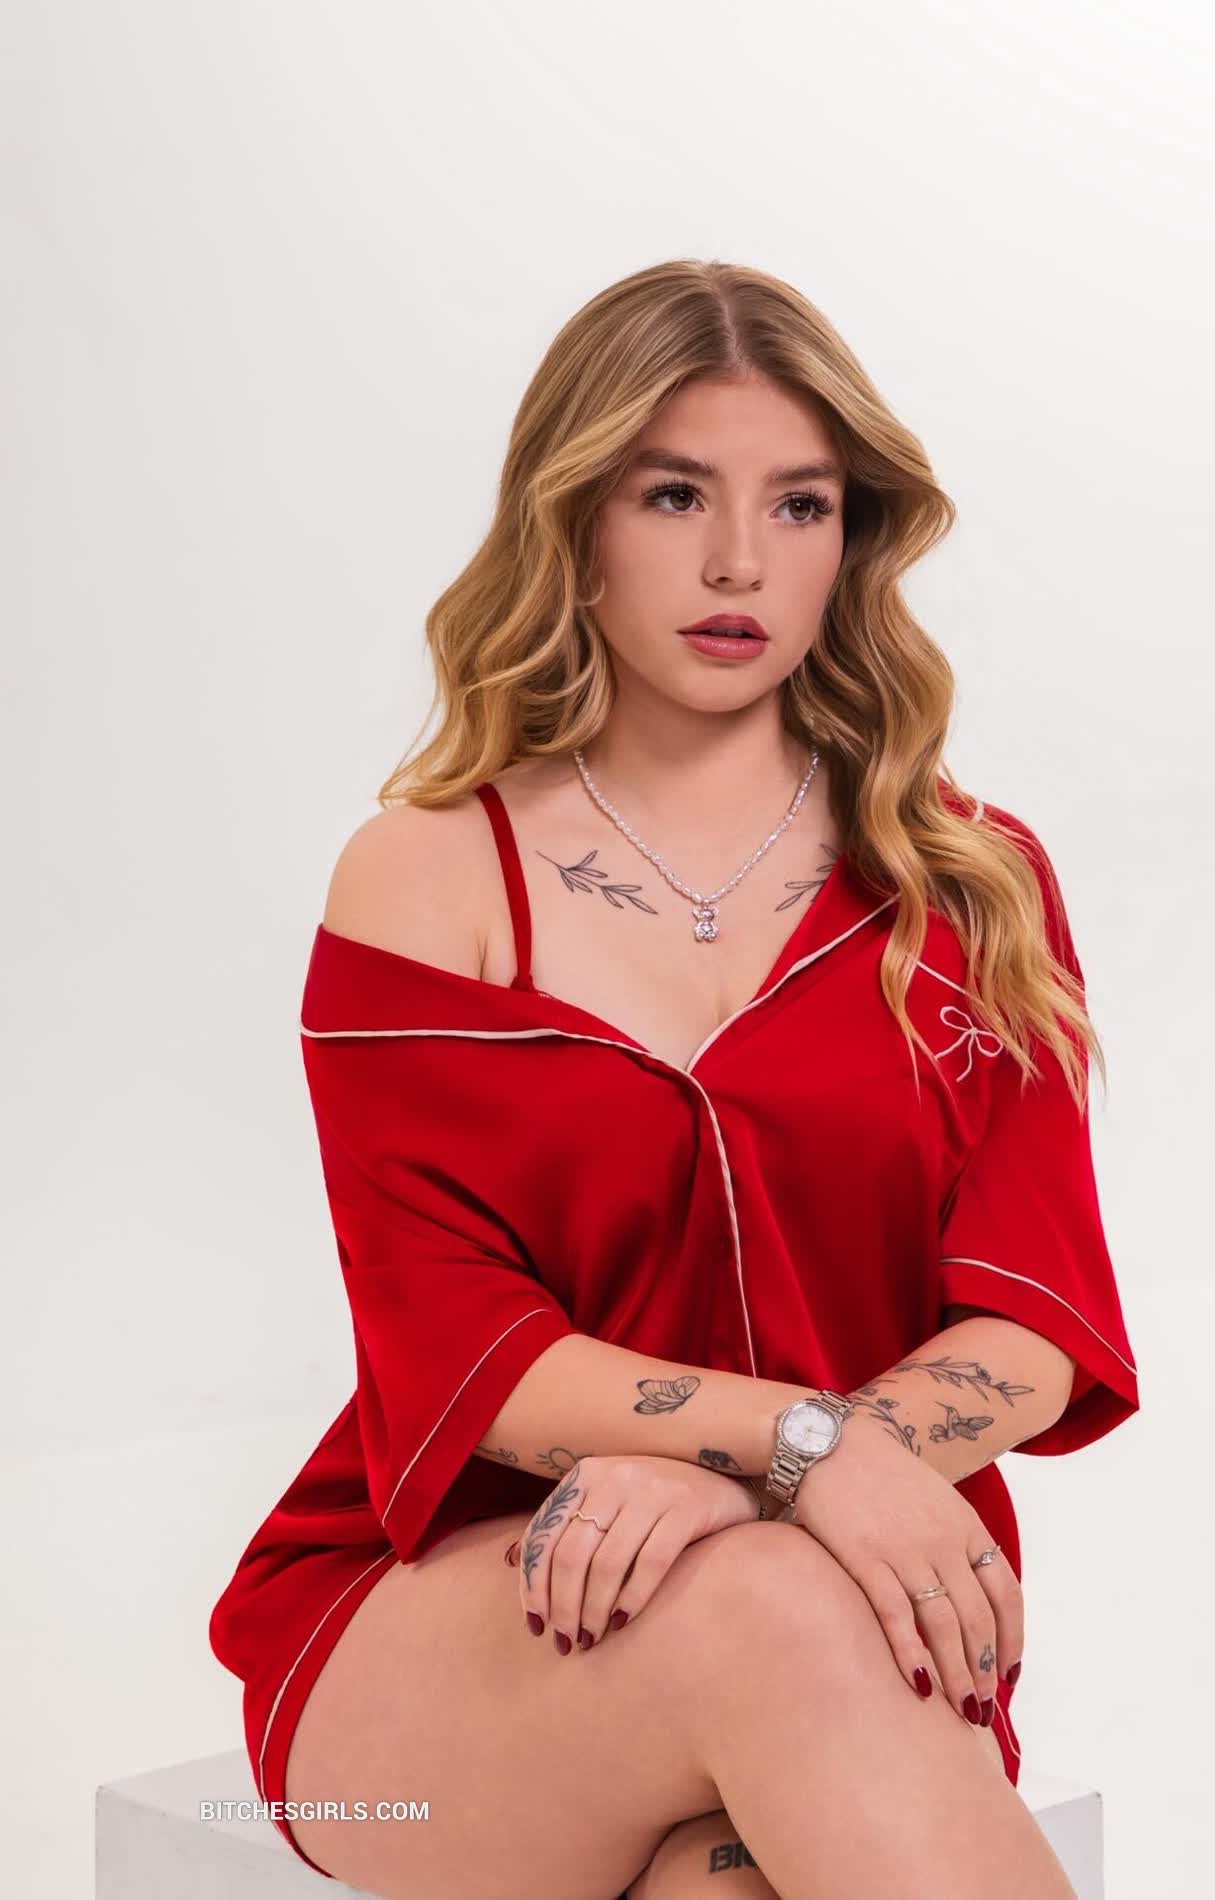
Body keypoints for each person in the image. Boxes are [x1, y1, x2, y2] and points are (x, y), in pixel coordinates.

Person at [208, 257, 1139, 1900]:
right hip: (456, 1646)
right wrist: (798, 1452)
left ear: (851, 538)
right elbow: (460, 1351)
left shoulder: (969, 882)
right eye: (672, 493)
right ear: (574, 520)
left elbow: (1033, 1326)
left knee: (741, 1845)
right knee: (765, 1612)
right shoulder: (430, 879)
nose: (737, 563)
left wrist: (757, 1480)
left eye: (799, 505)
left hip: (862, 1619)